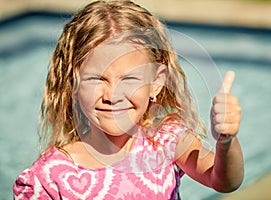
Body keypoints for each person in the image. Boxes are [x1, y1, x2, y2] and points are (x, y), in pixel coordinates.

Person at [13, 0, 244, 199]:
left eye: (130, 79)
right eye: (96, 79)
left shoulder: (167, 141)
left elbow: (224, 181)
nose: (112, 96)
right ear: (72, 84)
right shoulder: (49, 178)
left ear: (156, 82)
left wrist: (226, 141)